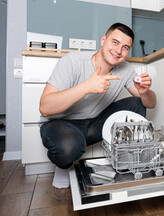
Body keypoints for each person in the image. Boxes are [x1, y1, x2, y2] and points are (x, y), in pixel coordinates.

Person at [39, 22, 156, 188]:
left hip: (93, 124)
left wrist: (145, 91)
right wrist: (87, 87)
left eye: (125, 47)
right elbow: (45, 108)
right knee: (69, 147)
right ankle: (63, 166)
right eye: (114, 42)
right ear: (103, 40)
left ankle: (123, 158)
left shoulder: (125, 69)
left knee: (137, 103)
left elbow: (150, 104)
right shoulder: (73, 61)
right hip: (61, 124)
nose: (118, 51)